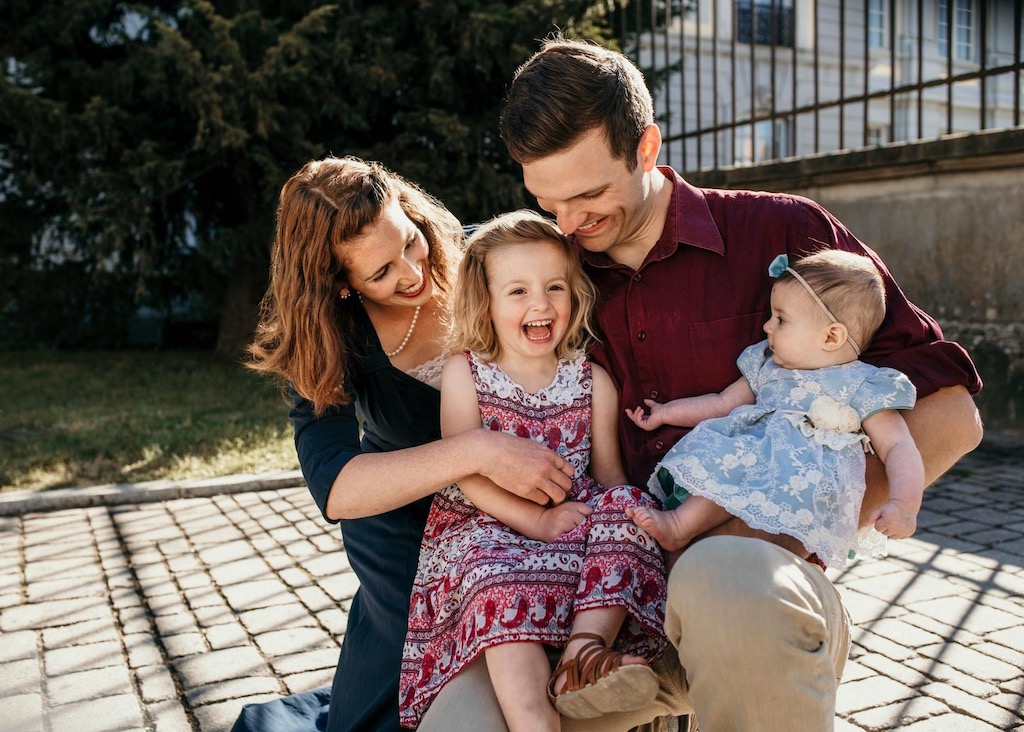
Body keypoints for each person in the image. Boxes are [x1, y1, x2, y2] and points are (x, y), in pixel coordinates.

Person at [419, 37, 982, 732]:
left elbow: (951, 417)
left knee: (726, 584)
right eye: (547, 200)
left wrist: (770, 528)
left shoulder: (785, 235)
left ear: (647, 147)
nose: (569, 225)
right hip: (577, 592)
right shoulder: (549, 281)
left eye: (591, 193)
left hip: (740, 594)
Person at [233, 156, 576, 732]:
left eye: (410, 241)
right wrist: (479, 451)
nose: (414, 272)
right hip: (407, 522)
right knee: (393, 709)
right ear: (340, 286)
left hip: (533, 491)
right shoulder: (330, 337)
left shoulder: (483, 257)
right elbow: (337, 488)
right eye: (381, 273)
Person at [399, 211, 667, 731]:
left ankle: (580, 659)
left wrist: (630, 521)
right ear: (488, 302)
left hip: (570, 520)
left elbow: (608, 477)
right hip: (488, 524)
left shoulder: (593, 380)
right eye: (518, 291)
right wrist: (535, 523)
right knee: (492, 571)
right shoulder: (468, 372)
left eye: (554, 287)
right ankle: (533, 721)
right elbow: (466, 473)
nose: (540, 303)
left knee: (627, 511)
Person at [626, 249, 924, 568]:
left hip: (807, 482)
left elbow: (897, 445)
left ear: (832, 335)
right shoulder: (767, 365)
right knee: (727, 474)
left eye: (780, 319)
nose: (767, 327)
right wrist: (665, 413)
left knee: (780, 544)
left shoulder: (861, 383)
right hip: (752, 460)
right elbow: (722, 403)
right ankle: (679, 526)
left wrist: (904, 506)